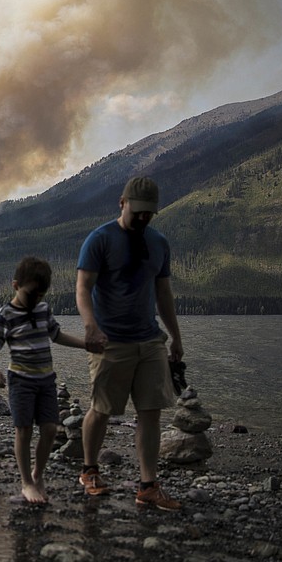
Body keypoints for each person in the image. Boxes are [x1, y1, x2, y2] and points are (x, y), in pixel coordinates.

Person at [76, 176, 185, 511]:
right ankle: (89, 470)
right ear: (122, 203)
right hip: (110, 341)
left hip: (150, 340)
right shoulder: (100, 239)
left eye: (148, 213)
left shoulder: (159, 243)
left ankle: (148, 485)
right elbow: (82, 288)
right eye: (137, 211)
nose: (142, 218)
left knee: (151, 412)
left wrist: (177, 338)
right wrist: (91, 327)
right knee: (102, 409)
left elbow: (163, 293)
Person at [0, 257, 93, 505]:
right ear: (16, 285)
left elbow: (56, 335)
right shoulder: (7, 314)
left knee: (49, 429)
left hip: (46, 380)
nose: (36, 299)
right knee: (23, 430)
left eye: (41, 294)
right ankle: (26, 483)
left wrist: (86, 345)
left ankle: (38, 474)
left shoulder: (43, 309)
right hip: (21, 381)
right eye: (31, 293)